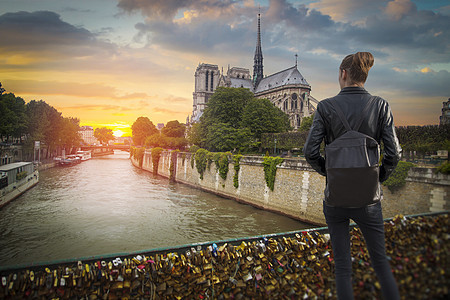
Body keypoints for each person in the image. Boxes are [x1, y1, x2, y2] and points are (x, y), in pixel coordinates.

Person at [303, 52, 402, 299]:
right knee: (380, 264)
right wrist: (377, 178)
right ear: (364, 75)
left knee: (343, 268)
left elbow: (310, 152)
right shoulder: (380, 105)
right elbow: (394, 153)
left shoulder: (325, 107)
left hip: (336, 199)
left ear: (343, 74)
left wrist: (330, 172)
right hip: (369, 200)